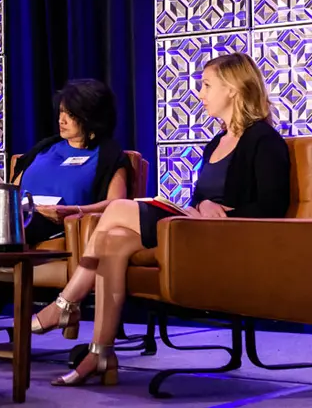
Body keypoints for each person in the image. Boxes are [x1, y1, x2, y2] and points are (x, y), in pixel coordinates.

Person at [45, 53, 290, 386]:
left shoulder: (265, 140)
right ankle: (100, 353)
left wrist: (220, 214)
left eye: (206, 86)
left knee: (117, 209)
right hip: (193, 228)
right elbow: (204, 199)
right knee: (113, 243)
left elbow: (273, 208)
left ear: (232, 89)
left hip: (230, 238)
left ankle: (66, 301)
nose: (200, 94)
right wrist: (200, 207)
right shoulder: (216, 142)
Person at [0, 79, 133, 347]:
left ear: (90, 116)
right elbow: (14, 188)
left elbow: (117, 204)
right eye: (61, 112)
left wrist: (72, 210)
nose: (62, 119)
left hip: (60, 222)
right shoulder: (45, 148)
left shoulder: (109, 156)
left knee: (6, 240)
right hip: (21, 215)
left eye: (70, 114)